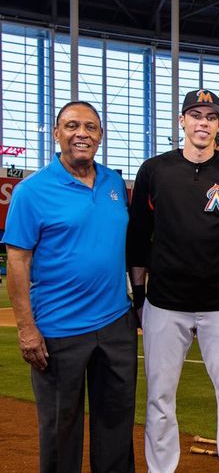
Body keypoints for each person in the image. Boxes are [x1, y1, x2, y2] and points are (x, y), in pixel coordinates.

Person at [127, 89, 219, 473]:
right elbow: (137, 235)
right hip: (165, 303)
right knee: (160, 397)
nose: (203, 122)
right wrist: (138, 294)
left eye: (211, 116)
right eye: (195, 115)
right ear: (182, 121)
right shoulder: (155, 170)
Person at [4, 101, 137, 472]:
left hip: (115, 325)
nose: (82, 133)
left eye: (91, 127)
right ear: (57, 133)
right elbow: (18, 261)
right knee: (61, 432)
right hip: (58, 331)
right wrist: (27, 330)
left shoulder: (113, 182)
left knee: (116, 427)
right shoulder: (32, 191)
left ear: (100, 135)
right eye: (73, 126)